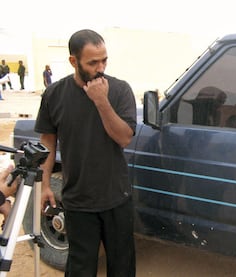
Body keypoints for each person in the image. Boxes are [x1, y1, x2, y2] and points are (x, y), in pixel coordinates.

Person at [35, 29, 137, 276]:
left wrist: (101, 101)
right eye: (93, 62)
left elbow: (124, 138)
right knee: (80, 268)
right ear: (74, 61)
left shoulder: (120, 90)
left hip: (116, 197)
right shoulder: (54, 95)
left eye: (104, 60)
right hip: (78, 202)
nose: (100, 67)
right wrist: (45, 184)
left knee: (122, 268)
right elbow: (47, 143)